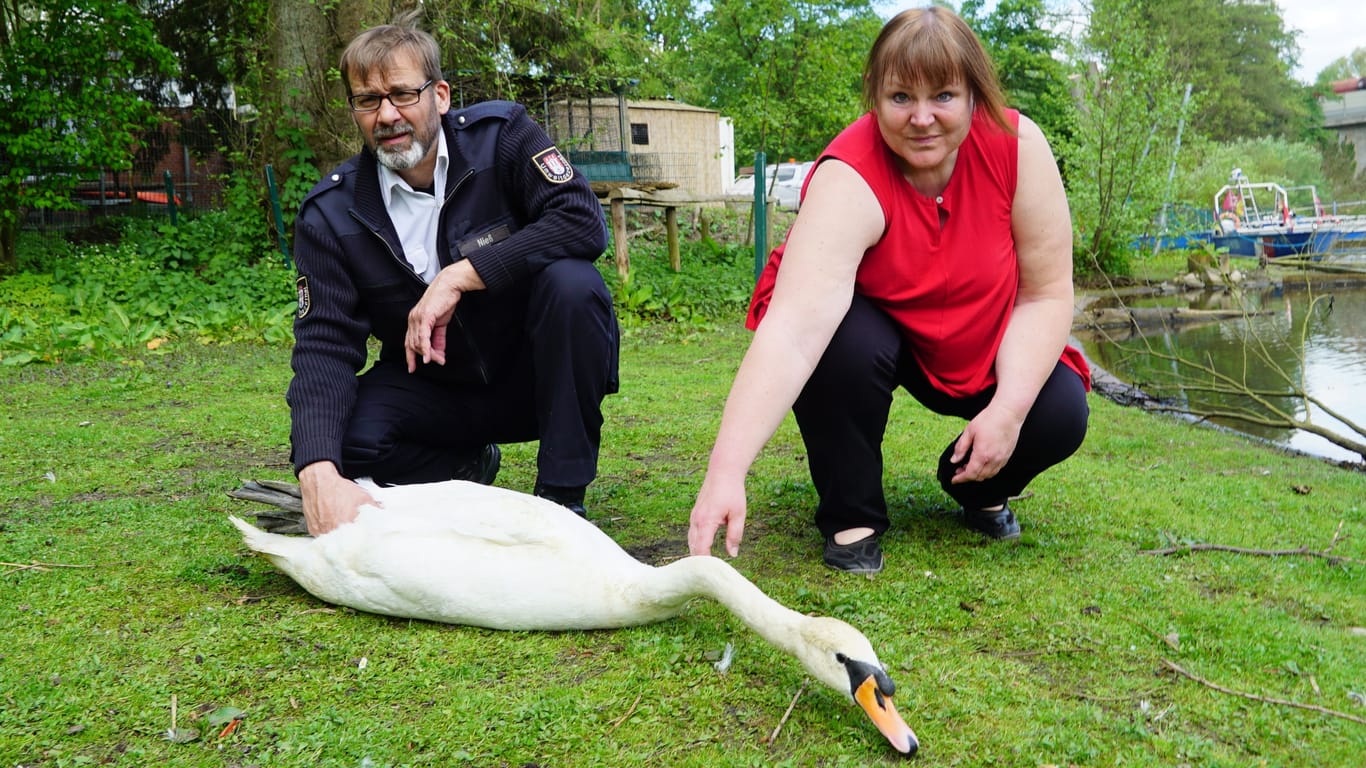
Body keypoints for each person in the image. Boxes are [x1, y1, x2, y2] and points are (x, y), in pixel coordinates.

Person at [687, 7, 1090, 574]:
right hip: (883, 338)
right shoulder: (848, 174)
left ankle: (974, 486)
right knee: (838, 341)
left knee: (1061, 411)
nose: (922, 118)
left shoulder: (1019, 147)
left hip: (986, 338)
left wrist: (1009, 409)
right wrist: (726, 471)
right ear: (875, 97)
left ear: (975, 96)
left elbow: (1045, 295)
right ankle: (852, 515)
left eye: (944, 96)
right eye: (901, 97)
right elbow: (794, 334)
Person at [286, 12, 619, 535]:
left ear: (439, 95)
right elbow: (324, 345)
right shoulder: (330, 212)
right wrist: (318, 473)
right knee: (344, 440)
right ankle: (466, 467)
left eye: (401, 94)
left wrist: (459, 275)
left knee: (573, 285)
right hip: (435, 387)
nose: (387, 115)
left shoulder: (502, 136)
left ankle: (561, 499)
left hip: (538, 376)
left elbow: (581, 221)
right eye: (367, 101)